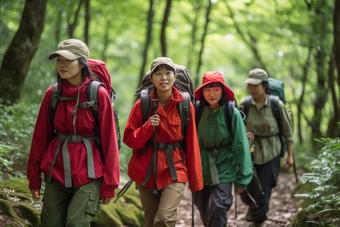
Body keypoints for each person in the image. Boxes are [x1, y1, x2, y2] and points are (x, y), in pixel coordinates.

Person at [27, 39, 120, 227]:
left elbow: (110, 141)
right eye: (59, 59)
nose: (62, 64)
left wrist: (109, 185)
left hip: (91, 172)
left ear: (82, 62)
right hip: (57, 169)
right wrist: (34, 178)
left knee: (76, 224)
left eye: (68, 60)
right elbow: (40, 137)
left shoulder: (98, 94)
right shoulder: (52, 94)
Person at [123, 57, 203, 227]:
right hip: (146, 170)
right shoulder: (142, 104)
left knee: (163, 219)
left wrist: (195, 182)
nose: (163, 77)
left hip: (175, 169)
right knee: (151, 222)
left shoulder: (185, 105)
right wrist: (147, 127)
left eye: (168, 73)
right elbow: (129, 139)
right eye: (158, 73)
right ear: (152, 79)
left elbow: (192, 144)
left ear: (175, 77)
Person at [193, 71, 253, 227]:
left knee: (218, 204)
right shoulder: (197, 111)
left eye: (216, 89)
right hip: (201, 167)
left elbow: (242, 145)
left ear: (223, 91)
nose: (211, 94)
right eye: (207, 89)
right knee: (202, 204)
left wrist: (242, 178)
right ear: (202, 92)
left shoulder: (231, 113)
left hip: (225, 164)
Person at [239, 68, 294, 227]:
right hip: (250, 153)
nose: (252, 88)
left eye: (255, 85)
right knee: (246, 188)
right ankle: (252, 206)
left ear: (264, 86)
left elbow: (287, 132)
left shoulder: (277, 105)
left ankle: (257, 220)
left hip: (272, 151)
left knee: (264, 188)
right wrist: (244, 133)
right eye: (250, 85)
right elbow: (237, 128)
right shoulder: (245, 104)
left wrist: (289, 155)